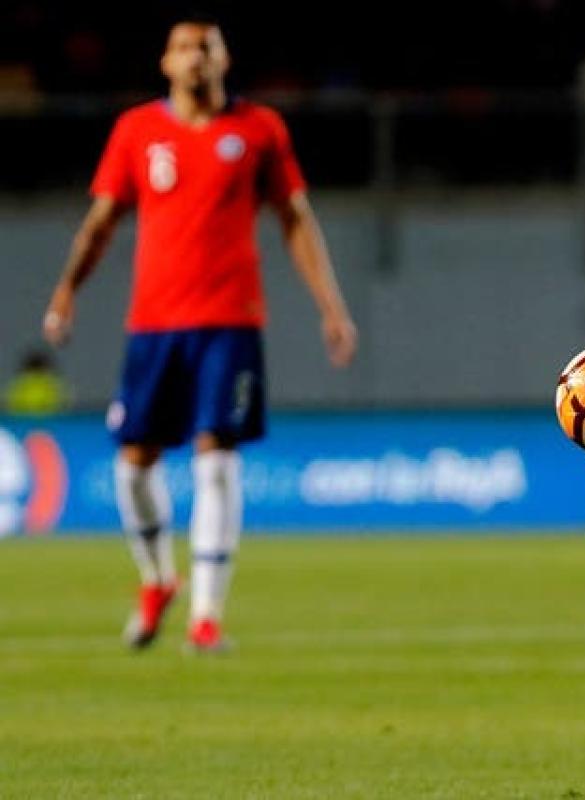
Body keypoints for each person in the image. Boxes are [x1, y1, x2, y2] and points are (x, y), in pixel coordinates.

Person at [42, 15, 357, 653]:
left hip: (230, 321)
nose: (195, 58)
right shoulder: (137, 130)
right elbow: (102, 220)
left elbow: (295, 218)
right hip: (154, 324)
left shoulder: (259, 129)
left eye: (205, 47)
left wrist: (332, 307)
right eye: (183, 48)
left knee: (217, 459)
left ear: (223, 59)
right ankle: (159, 578)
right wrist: (67, 289)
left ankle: (206, 616)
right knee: (134, 466)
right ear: (165, 62)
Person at [5, 348, 71, 415]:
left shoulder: (19, 382)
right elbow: (63, 403)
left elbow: (11, 403)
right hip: (49, 417)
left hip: (23, 417)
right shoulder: (53, 381)